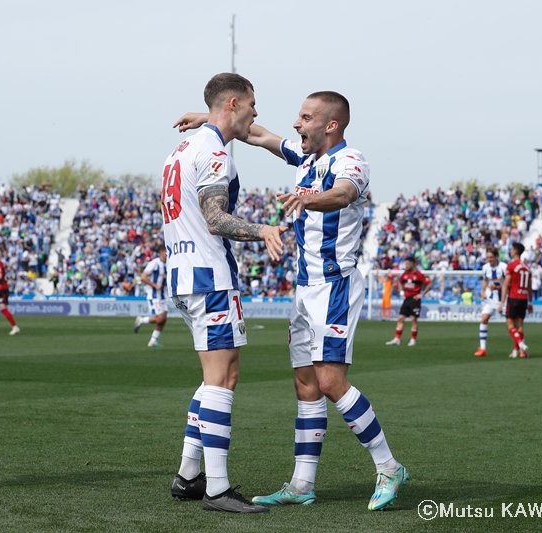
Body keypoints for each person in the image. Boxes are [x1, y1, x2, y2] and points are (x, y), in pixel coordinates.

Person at [174, 91, 409, 511]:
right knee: (304, 385)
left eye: (305, 117)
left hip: (336, 285)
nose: (297, 125)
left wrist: (307, 199)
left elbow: (344, 194)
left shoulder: (349, 159)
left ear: (331, 124)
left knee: (331, 381)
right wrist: (208, 118)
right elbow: (261, 135)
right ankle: (302, 484)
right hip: (305, 288)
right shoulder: (305, 160)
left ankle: (389, 466)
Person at [165, 73, 286, 514]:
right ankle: (217, 488)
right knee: (224, 378)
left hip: (180, 273)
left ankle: (188, 476)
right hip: (209, 277)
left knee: (211, 377)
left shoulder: (182, 150)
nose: (256, 112)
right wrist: (262, 229)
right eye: (252, 103)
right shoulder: (214, 151)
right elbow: (215, 218)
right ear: (234, 102)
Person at [386, 256, 432, 346]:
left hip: (415, 300)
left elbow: (429, 284)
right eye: (405, 263)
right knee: (400, 318)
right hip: (406, 299)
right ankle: (397, 339)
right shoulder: (405, 274)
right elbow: (400, 282)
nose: (406, 265)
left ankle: (413, 340)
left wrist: (422, 294)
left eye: (407, 263)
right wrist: (402, 292)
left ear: (413, 264)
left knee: (413, 319)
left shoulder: (418, 274)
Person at [498, 242, 532, 358]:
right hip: (524, 299)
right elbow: (529, 287)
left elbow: (506, 285)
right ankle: (515, 351)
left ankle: (521, 344)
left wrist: (502, 303)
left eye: (512, 249)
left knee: (510, 325)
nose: (510, 251)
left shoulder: (511, 266)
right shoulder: (527, 267)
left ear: (516, 251)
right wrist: (531, 302)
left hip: (513, 298)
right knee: (520, 325)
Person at [474, 246, 507, 357]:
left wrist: (498, 288)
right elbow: (485, 280)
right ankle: (482, 349)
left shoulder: (503, 267)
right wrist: (482, 291)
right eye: (488, 257)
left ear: (496, 256)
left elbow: (508, 284)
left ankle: (519, 346)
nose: (489, 259)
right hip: (491, 298)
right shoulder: (485, 268)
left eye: (491, 257)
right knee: (484, 319)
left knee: (511, 324)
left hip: (503, 299)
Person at [134, 245, 168, 347]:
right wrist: (154, 285)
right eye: (166, 251)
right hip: (154, 295)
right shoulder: (154, 263)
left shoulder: (169, 263)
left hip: (163, 295)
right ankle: (141, 320)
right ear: (161, 252)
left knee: (164, 319)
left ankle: (153, 341)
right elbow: (143, 277)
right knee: (160, 319)